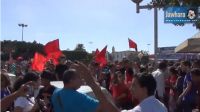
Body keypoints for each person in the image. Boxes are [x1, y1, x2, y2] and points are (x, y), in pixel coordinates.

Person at [70, 62, 167, 112]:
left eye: (134, 85)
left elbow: (110, 109)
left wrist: (91, 83)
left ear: (144, 89)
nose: (130, 88)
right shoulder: (161, 106)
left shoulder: (140, 110)